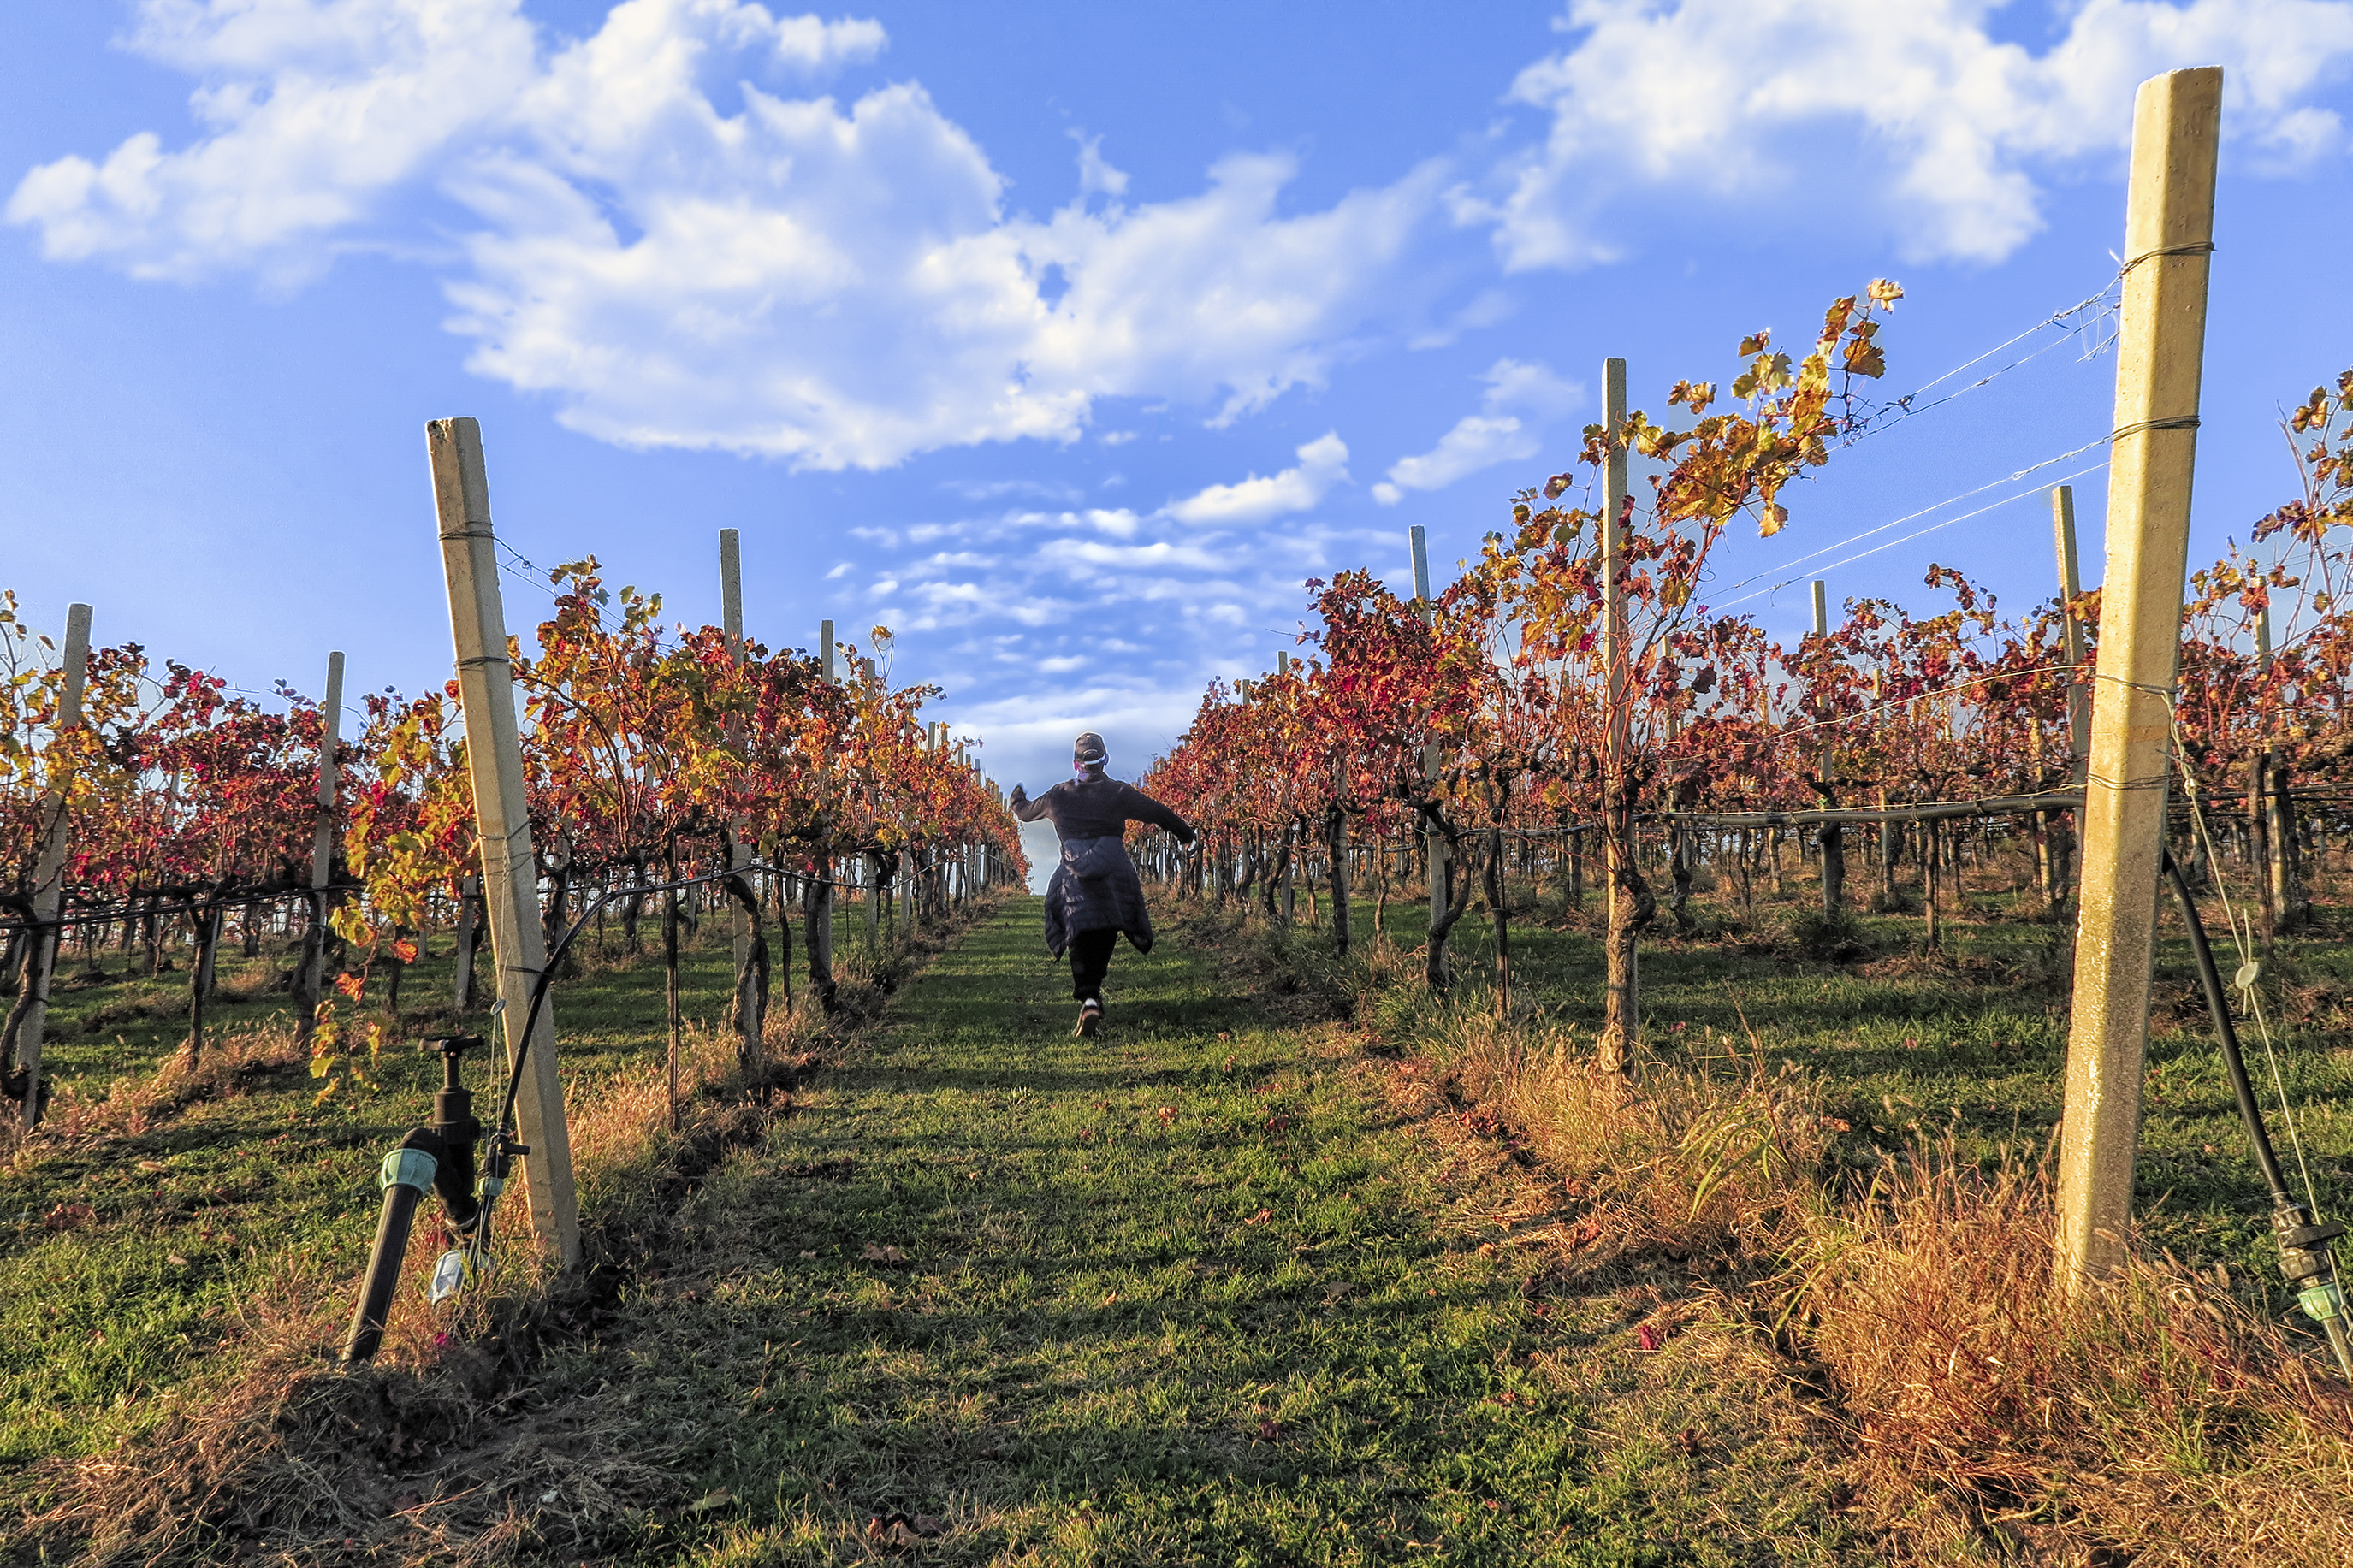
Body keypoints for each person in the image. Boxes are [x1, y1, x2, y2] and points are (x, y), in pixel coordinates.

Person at [1011, 731, 1195, 1036]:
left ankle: (1089, 997)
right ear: (1105, 760)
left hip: (1074, 877)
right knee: (1107, 929)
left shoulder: (1058, 795)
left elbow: (1024, 812)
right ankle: (1093, 993)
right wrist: (1187, 836)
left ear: (1075, 764)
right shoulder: (1119, 793)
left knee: (1078, 932)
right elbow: (1159, 813)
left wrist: (1018, 793)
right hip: (1114, 874)